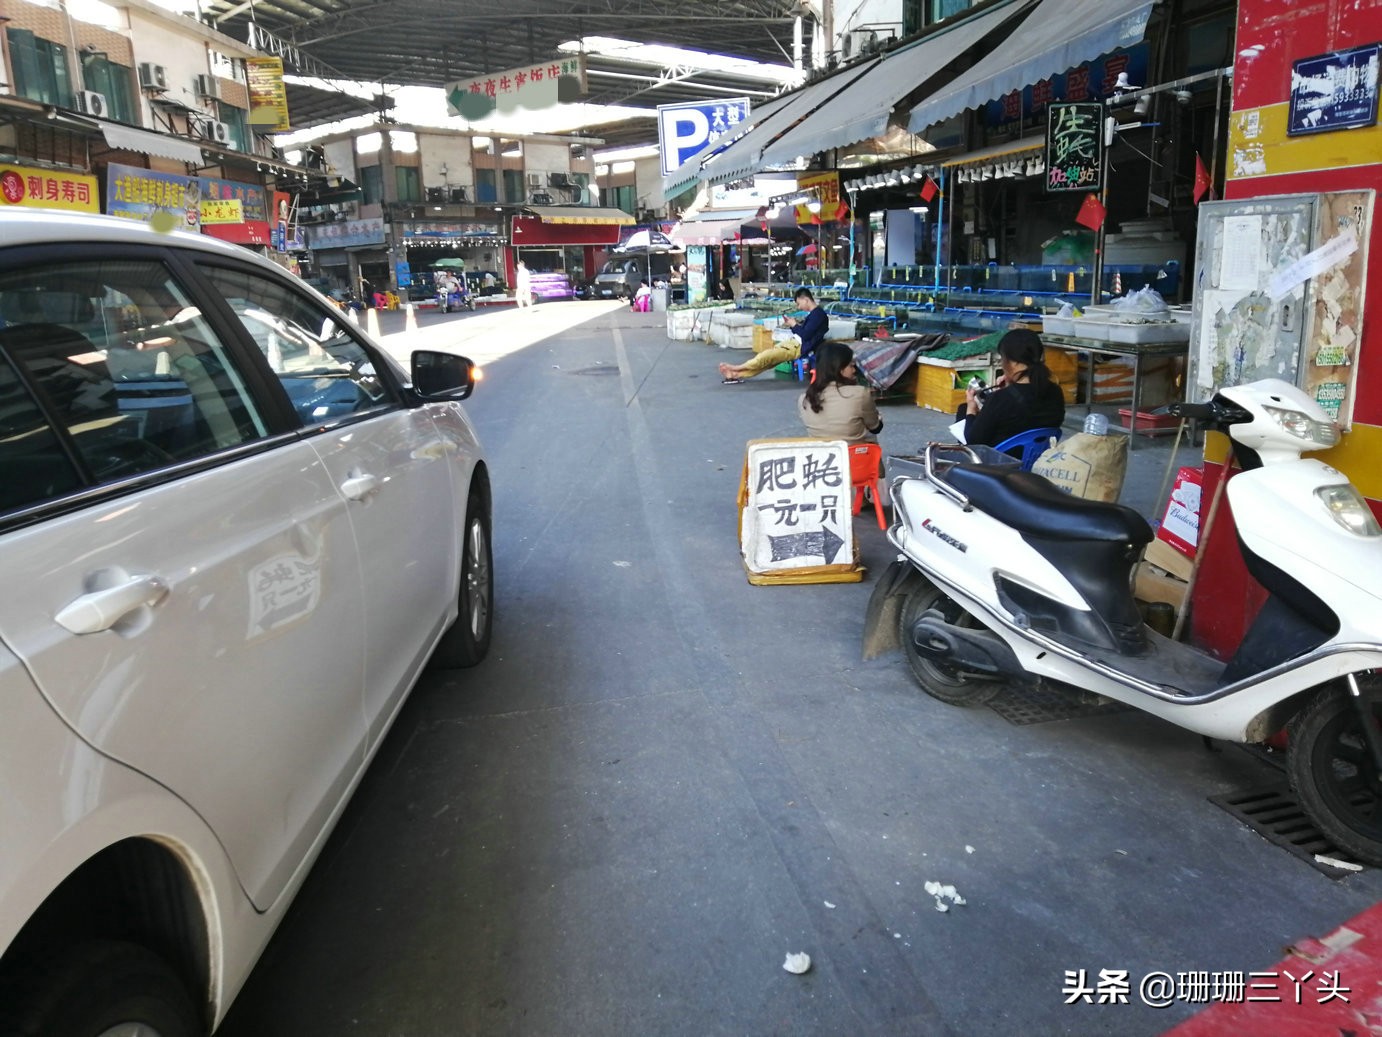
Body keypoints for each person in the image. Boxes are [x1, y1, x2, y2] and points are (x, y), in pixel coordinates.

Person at [956, 328, 1066, 449]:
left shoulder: (999, 399)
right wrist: (1012, 385)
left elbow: (973, 442)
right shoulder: (1055, 391)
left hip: (1001, 462)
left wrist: (971, 409)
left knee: (964, 410)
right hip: (1037, 457)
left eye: (1003, 359)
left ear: (1013, 363)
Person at [718, 287, 828, 384]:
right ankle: (736, 374)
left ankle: (735, 368)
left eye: (799, 304)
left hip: (797, 347)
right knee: (768, 361)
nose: (799, 307)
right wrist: (794, 325)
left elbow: (805, 335)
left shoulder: (818, 315)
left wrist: (794, 325)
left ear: (806, 300)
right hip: (793, 344)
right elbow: (807, 332)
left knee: (765, 357)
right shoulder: (815, 315)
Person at [799, 341, 883, 444]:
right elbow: (875, 427)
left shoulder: (804, 399)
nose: (854, 370)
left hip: (822, 457)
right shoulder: (860, 394)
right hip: (856, 456)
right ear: (840, 369)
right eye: (851, 366)